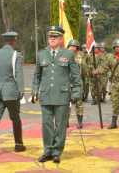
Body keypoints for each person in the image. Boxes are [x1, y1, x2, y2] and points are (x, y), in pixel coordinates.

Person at [31, 26, 81, 163]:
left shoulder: (68, 54)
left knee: (60, 125)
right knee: (46, 124)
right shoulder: (41, 54)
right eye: (50, 37)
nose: (52, 39)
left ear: (60, 39)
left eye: (55, 37)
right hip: (46, 95)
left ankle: (57, 151)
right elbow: (37, 75)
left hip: (62, 95)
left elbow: (76, 76)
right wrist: (35, 90)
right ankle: (47, 150)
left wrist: (76, 92)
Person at [0, 30, 26, 159]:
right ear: (14, 41)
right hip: (11, 93)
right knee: (15, 118)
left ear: (4, 41)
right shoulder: (16, 55)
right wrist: (21, 91)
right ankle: (18, 144)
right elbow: (19, 75)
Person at [67, 39, 84, 129]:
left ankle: (80, 122)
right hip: (66, 83)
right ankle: (66, 121)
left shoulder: (81, 56)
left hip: (77, 82)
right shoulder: (64, 55)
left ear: (77, 48)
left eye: (74, 47)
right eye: (71, 46)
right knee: (66, 103)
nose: (72, 48)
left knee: (79, 103)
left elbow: (84, 68)